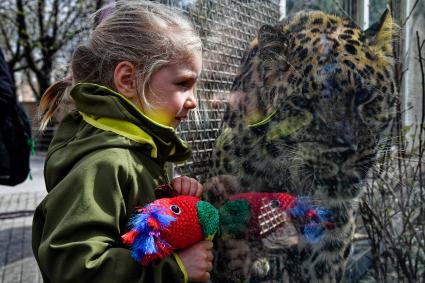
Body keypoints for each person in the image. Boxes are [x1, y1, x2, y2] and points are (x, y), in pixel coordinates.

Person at [32, 1, 213, 282]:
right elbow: (74, 268)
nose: (194, 101)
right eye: (183, 84)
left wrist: (171, 201)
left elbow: (132, 231)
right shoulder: (105, 162)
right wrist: (174, 270)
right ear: (128, 79)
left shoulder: (139, 149)